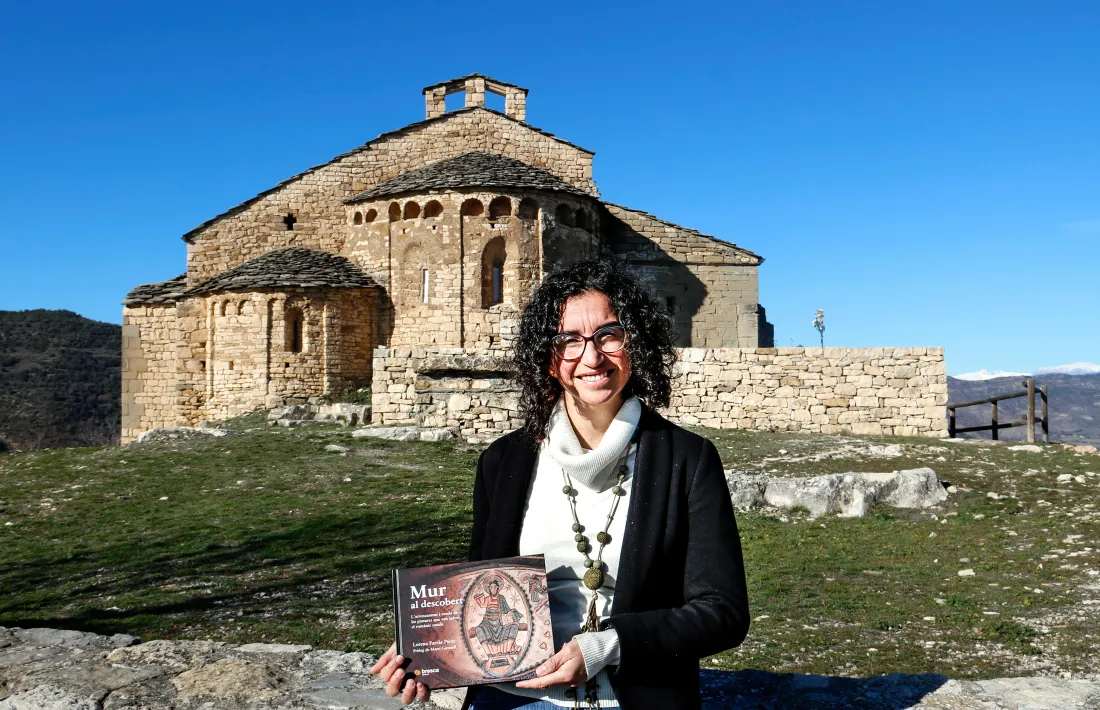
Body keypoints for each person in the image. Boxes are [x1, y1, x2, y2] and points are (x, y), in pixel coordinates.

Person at [372, 259, 750, 709]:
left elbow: (723, 612)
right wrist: (431, 650)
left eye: (609, 334)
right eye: (568, 341)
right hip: (511, 697)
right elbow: (481, 588)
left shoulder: (687, 459)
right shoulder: (503, 461)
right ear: (548, 360)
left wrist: (605, 646)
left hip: (632, 698)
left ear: (635, 342)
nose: (591, 358)